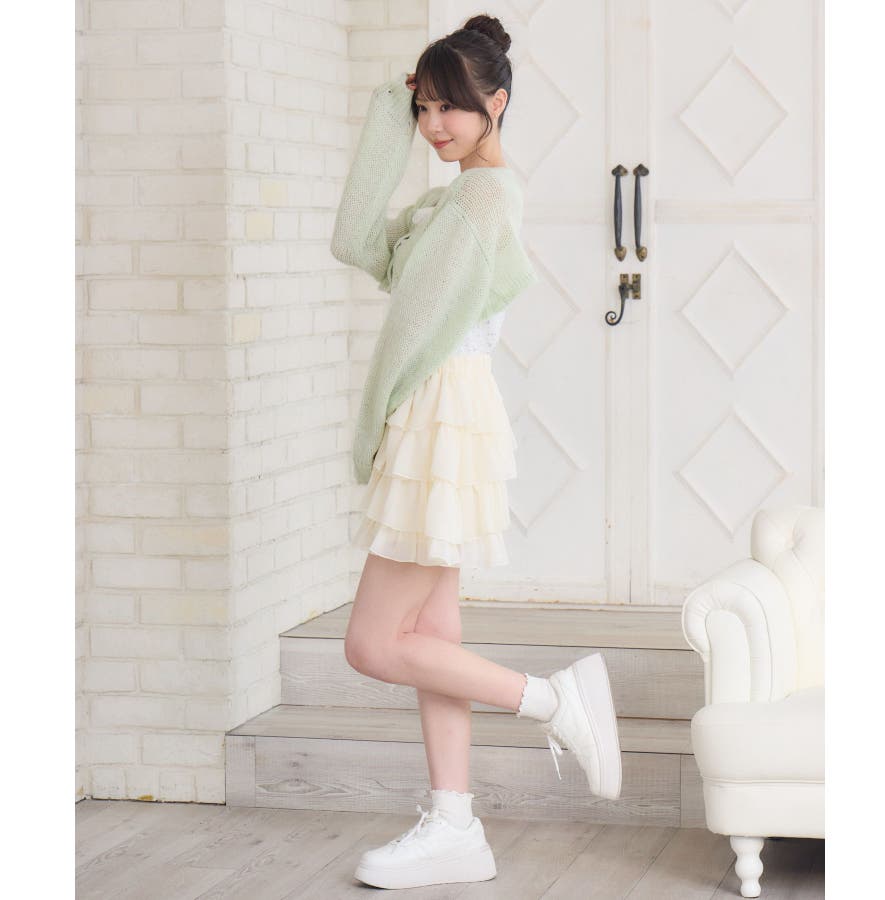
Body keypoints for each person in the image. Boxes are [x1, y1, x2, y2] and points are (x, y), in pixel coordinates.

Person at [330, 14, 622, 891]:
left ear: (497, 103)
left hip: (438, 412)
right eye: (423, 108)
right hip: (447, 411)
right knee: (429, 634)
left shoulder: (479, 201)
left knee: (370, 643)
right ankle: (455, 824)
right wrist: (387, 111)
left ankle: (554, 701)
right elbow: (357, 241)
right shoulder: (453, 199)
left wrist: (374, 420)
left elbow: (412, 331)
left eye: (450, 107)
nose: (434, 125)